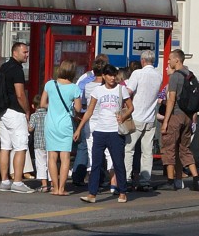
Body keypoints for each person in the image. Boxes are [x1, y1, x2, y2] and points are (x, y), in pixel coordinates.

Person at [73, 64, 133, 204]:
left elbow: (131, 107)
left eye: (114, 75)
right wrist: (79, 128)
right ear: (104, 76)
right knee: (95, 163)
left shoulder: (121, 89)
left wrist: (123, 117)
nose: (112, 78)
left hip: (115, 132)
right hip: (100, 131)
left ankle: (123, 192)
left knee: (118, 163)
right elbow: (89, 111)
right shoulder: (98, 91)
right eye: (109, 75)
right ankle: (92, 194)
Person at [161, 49, 199, 191]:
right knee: (184, 148)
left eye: (170, 59)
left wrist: (166, 121)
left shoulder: (175, 77)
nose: (168, 62)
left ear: (177, 60)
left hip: (176, 115)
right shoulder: (191, 76)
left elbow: (171, 100)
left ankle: (170, 181)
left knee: (169, 147)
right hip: (188, 117)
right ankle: (196, 179)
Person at [123, 50, 164, 190]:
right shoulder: (158, 75)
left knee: (129, 149)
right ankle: (145, 181)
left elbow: (128, 91)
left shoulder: (137, 74)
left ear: (142, 61)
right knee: (147, 152)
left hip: (136, 116)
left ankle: (127, 178)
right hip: (150, 118)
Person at [0, 42, 35, 194]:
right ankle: (17, 182)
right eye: (24, 52)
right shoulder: (17, 70)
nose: (27, 55)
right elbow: (20, 94)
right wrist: (26, 110)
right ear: (15, 52)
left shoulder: (4, 67)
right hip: (15, 112)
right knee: (21, 147)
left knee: (5, 146)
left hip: (3, 112)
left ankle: (4, 181)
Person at [41, 60, 81, 195]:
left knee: (51, 157)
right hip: (65, 125)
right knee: (65, 158)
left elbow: (42, 103)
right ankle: (62, 189)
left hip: (51, 124)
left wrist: (52, 106)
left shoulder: (50, 84)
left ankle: (54, 187)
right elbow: (78, 108)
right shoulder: (74, 88)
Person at [28, 99, 49, 194]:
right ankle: (53, 184)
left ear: (33, 106)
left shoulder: (34, 115)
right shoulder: (49, 114)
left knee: (41, 164)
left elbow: (30, 128)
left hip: (39, 143)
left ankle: (44, 185)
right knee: (51, 163)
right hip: (50, 143)